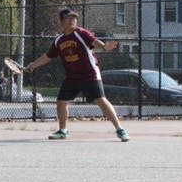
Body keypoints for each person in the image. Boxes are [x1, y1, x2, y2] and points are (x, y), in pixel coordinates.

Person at [24, 8, 130, 142]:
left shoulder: (81, 33)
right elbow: (48, 56)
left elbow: (94, 41)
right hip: (72, 77)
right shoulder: (59, 40)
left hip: (89, 74)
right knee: (61, 102)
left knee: (101, 100)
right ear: (62, 22)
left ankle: (120, 129)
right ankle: (63, 131)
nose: (72, 20)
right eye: (69, 18)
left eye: (74, 18)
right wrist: (33, 65)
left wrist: (104, 47)